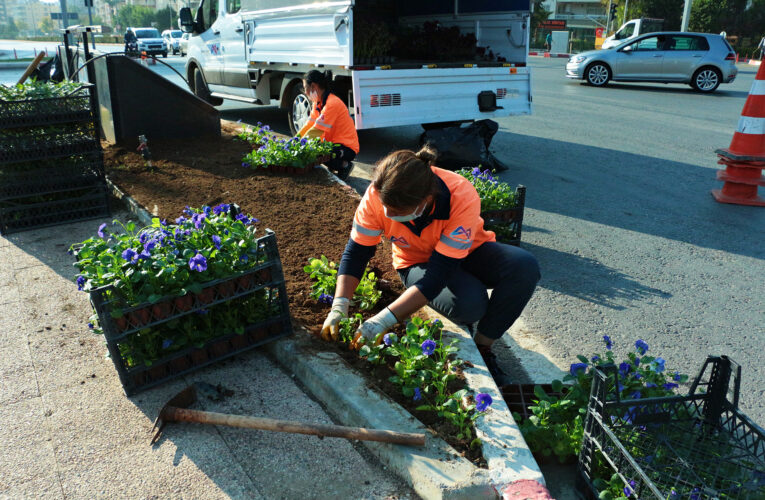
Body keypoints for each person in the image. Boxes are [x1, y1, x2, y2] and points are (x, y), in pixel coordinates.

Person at [320, 146, 541, 385]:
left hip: (470, 252)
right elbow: (356, 253)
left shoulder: (460, 194)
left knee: (523, 266)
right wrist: (339, 306)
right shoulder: (378, 192)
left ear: (425, 200)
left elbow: (439, 275)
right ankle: (465, 291)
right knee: (469, 306)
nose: (388, 213)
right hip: (417, 262)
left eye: (396, 212)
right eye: (386, 207)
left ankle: (483, 347)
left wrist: (382, 321)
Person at [297, 70, 360, 181]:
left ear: (313, 86)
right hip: (334, 144)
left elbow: (316, 131)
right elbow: (309, 124)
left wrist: (298, 145)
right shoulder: (318, 102)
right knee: (317, 150)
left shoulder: (332, 104)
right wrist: (296, 139)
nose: (305, 92)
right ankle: (335, 164)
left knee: (319, 152)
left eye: (305, 88)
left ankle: (345, 165)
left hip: (347, 147)